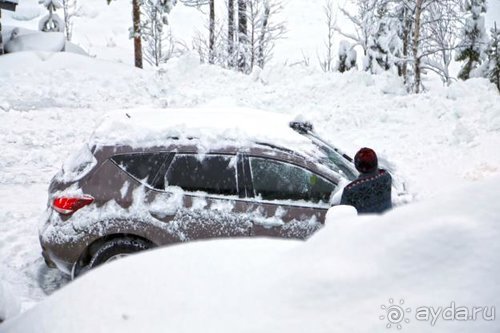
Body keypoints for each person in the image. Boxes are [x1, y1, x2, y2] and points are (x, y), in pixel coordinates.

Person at [340, 147, 392, 214]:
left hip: (365, 224)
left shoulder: (351, 190)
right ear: (376, 163)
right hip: (388, 222)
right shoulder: (386, 177)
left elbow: (343, 216)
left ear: (357, 167)